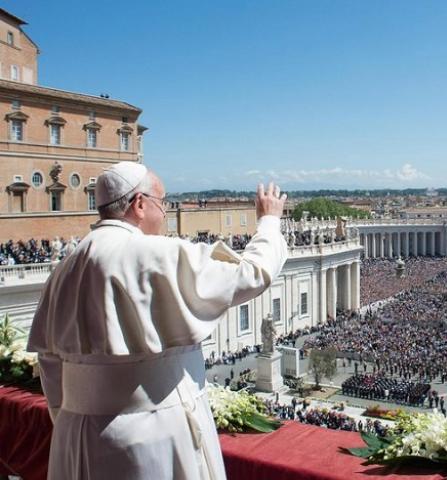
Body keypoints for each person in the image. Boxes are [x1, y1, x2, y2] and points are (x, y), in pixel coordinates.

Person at [27, 162, 288, 480]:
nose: (164, 214)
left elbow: (50, 365)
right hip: (152, 437)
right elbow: (251, 275)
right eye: (162, 204)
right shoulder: (157, 253)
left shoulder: (65, 267)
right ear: (139, 203)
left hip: (74, 437)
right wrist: (270, 222)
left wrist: (74, 417)